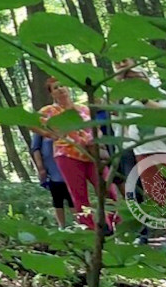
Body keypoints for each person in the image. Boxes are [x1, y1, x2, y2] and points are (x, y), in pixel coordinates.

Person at [38, 78, 115, 230]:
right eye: (55, 88)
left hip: (92, 155)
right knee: (79, 195)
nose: (60, 89)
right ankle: (90, 229)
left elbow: (96, 128)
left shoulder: (83, 109)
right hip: (67, 155)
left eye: (62, 85)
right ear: (52, 94)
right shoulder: (49, 111)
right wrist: (49, 134)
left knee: (107, 187)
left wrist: (97, 139)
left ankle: (112, 224)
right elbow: (30, 124)